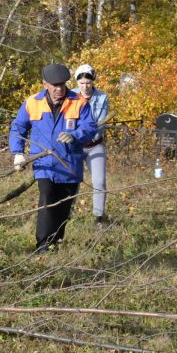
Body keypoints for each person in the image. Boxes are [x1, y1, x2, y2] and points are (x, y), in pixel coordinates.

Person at [9, 63, 96, 253]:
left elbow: (90, 127)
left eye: (62, 85)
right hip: (45, 165)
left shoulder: (79, 102)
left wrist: (76, 135)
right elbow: (18, 128)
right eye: (54, 85)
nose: (59, 89)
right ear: (45, 84)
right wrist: (18, 153)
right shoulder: (32, 102)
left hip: (69, 165)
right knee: (47, 201)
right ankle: (42, 246)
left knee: (64, 207)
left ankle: (56, 243)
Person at [72, 64, 109, 225]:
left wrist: (86, 135)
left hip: (94, 144)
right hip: (75, 146)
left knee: (99, 181)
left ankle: (98, 217)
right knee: (71, 180)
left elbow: (99, 124)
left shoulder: (102, 97)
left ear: (92, 81)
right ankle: (67, 214)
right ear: (77, 83)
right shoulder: (71, 96)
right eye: (81, 83)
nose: (85, 87)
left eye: (88, 83)